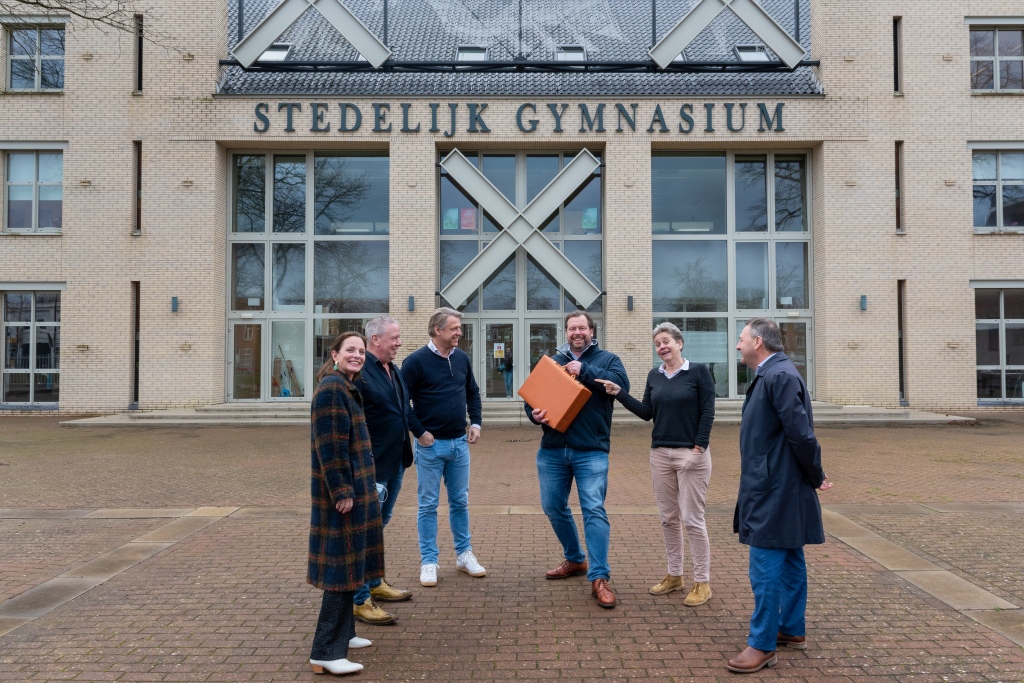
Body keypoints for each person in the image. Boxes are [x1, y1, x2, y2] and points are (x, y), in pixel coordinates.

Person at [728, 318, 833, 674]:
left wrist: (815, 475)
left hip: (774, 489)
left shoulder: (778, 376)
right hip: (777, 483)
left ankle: (762, 645)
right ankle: (791, 629)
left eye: (741, 339)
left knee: (766, 568)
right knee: (789, 560)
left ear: (758, 342)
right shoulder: (773, 374)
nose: (737, 345)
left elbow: (801, 435)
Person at [595, 321, 716, 605]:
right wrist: (619, 393)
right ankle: (675, 576)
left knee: (692, 519)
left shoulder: (698, 372)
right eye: (657, 344)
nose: (662, 347)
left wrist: (698, 447)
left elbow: (708, 411)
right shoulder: (654, 375)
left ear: (679, 343)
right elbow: (646, 412)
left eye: (666, 341)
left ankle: (703, 582)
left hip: (692, 454)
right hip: (660, 453)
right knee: (668, 519)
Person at [525, 310, 629, 608]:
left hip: (591, 450)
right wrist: (533, 415)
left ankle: (599, 577)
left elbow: (622, 385)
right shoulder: (553, 363)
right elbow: (531, 398)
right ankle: (575, 559)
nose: (577, 332)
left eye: (582, 327)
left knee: (593, 509)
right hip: (553, 449)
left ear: (592, 331)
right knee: (552, 506)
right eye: (572, 328)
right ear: (566, 332)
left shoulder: (607, 360)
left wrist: (582, 369)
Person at [308, 331, 384, 676]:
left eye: (361, 351)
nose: (357, 355)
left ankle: (345, 635)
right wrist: (342, 492)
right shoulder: (332, 390)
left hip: (356, 493)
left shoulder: (345, 387)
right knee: (341, 573)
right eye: (350, 350)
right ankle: (325, 651)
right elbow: (331, 447)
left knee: (352, 567)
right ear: (335, 355)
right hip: (343, 498)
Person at [401, 307, 486, 587]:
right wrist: (420, 433)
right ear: (438, 330)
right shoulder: (415, 362)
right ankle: (429, 561)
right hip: (430, 446)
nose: (459, 333)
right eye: (454, 328)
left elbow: (472, 391)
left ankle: (464, 555)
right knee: (427, 505)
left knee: (460, 502)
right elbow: (402, 402)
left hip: (460, 444)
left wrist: (475, 423)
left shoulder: (461, 358)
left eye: (459, 328)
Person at [351, 316, 414, 626]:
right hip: (371, 466)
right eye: (394, 338)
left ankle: (375, 582)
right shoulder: (360, 374)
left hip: (396, 460)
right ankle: (359, 598)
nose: (398, 343)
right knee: (364, 531)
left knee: (378, 527)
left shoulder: (393, 370)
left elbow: (403, 410)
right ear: (375, 340)